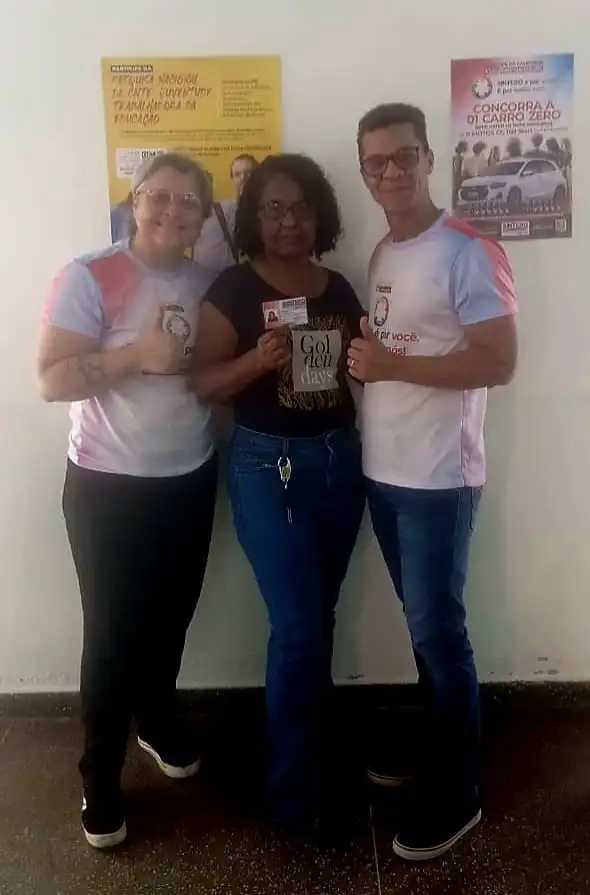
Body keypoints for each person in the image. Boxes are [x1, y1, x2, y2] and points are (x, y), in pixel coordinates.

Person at [350, 104, 517, 861]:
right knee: (425, 633)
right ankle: (439, 749)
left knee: (440, 635)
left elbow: (497, 361)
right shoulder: (385, 250)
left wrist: (391, 365)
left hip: (440, 479)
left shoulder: (470, 250)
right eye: (375, 161)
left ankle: (460, 790)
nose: (390, 171)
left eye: (403, 156)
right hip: (384, 472)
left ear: (428, 158)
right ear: (364, 171)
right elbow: (397, 348)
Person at [37, 152, 218, 850]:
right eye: (158, 196)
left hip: (190, 479)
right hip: (106, 486)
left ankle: (157, 725)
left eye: (189, 201)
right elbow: (51, 379)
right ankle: (100, 775)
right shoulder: (90, 274)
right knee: (112, 637)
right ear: (134, 201)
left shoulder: (209, 282)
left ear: (204, 215)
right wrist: (132, 356)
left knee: (172, 621)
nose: (172, 210)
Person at [193, 153, 366, 833]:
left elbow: (361, 365)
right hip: (270, 467)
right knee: (296, 628)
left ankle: (317, 752)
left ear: (319, 214)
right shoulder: (233, 287)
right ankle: (294, 792)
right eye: (273, 208)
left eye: (300, 208)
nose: (289, 221)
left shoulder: (338, 287)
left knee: (319, 617)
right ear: (253, 217)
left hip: (340, 461)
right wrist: (254, 361)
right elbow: (203, 382)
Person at [193, 153, 259, 270]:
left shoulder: (265, 209)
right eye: (237, 174)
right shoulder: (204, 213)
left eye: (248, 173)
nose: (243, 178)